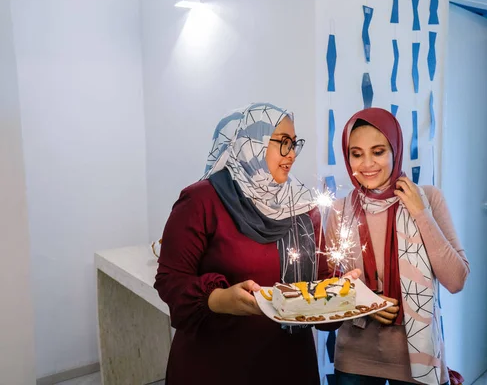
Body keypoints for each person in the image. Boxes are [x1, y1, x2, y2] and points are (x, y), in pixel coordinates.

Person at [154, 103, 349, 384]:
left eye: (295, 144)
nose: (292, 154)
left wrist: (340, 291)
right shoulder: (201, 201)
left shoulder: (301, 204)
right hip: (217, 366)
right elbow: (169, 280)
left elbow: (320, 279)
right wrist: (219, 299)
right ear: (251, 143)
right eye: (283, 143)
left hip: (290, 365)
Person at [327, 108, 470, 385]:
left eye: (378, 151)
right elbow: (327, 288)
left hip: (417, 357)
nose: (367, 164)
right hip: (356, 358)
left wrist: (420, 213)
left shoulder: (427, 198)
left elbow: (456, 280)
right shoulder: (340, 210)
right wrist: (364, 303)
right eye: (356, 154)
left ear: (395, 149)